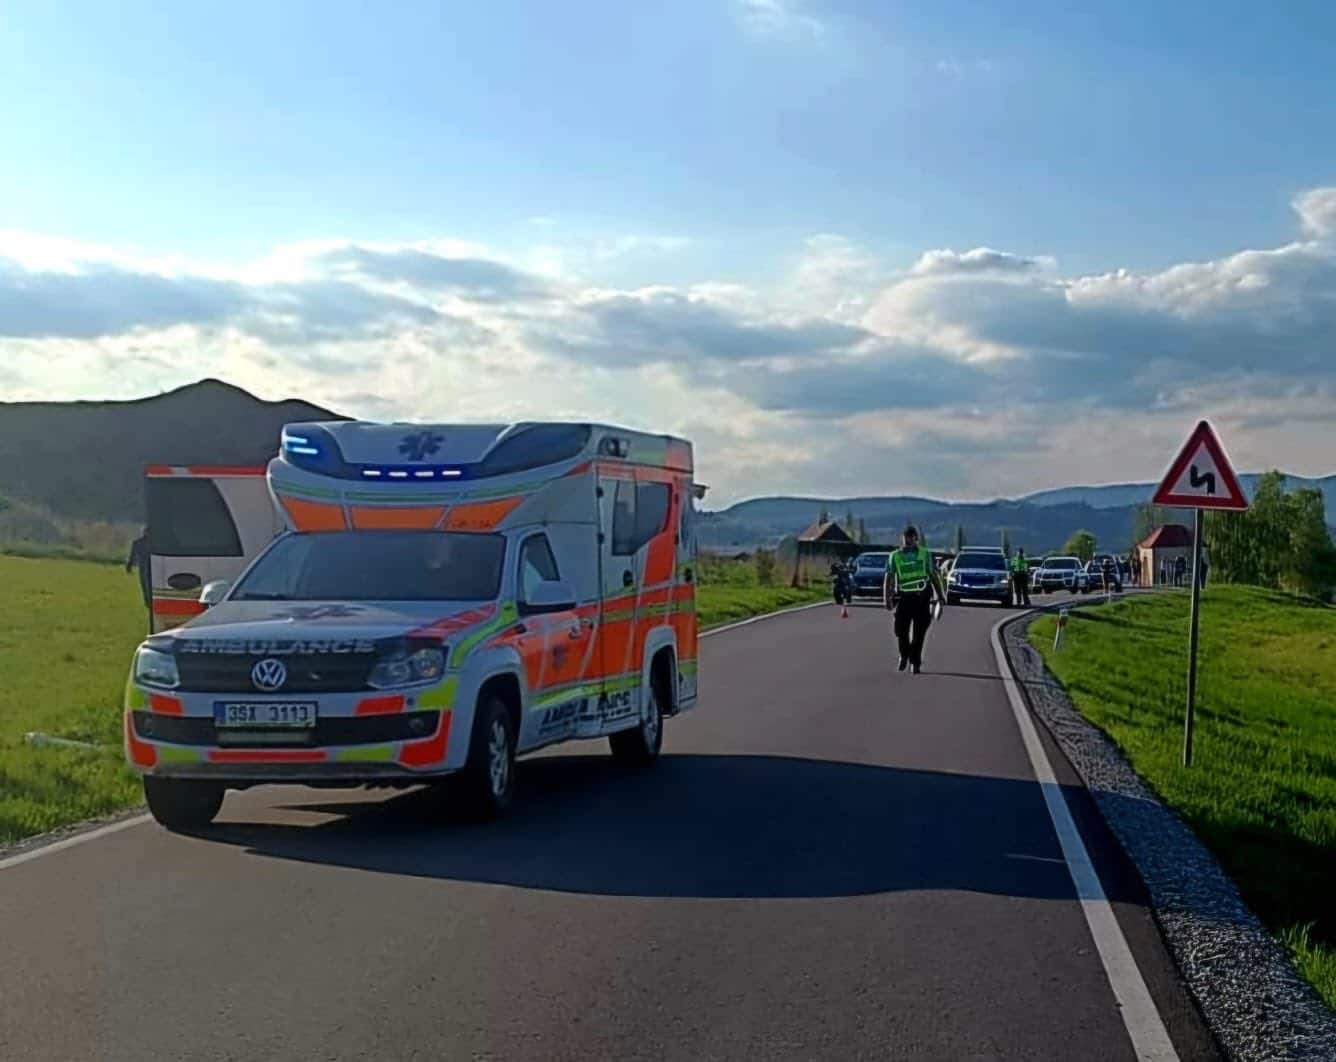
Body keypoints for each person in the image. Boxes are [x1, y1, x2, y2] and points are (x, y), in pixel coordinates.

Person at [886, 525, 947, 674]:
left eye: (911, 538)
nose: (908, 541)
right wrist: (886, 598)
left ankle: (915, 662)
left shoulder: (924, 554)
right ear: (902, 539)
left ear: (916, 539)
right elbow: (889, 578)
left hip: (922, 597)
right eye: (906, 538)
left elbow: (933, 575)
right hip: (904, 598)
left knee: (920, 632)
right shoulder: (895, 556)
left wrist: (940, 595)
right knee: (900, 630)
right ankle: (904, 655)